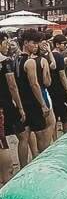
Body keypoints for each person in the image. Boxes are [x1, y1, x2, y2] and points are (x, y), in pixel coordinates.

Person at [15, 30, 51, 155]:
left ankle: (23, 168)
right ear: (25, 43)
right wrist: (43, 104)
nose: (36, 46)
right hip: (33, 103)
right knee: (41, 135)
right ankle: (43, 164)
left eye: (37, 43)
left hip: (21, 102)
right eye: (34, 43)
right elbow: (34, 84)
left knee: (24, 138)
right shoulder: (30, 62)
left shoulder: (15, 60)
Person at [0, 37, 27, 172]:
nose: (7, 46)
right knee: (22, 135)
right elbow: (12, 86)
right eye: (5, 43)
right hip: (7, 104)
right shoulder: (6, 62)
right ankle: (22, 168)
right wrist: (20, 107)